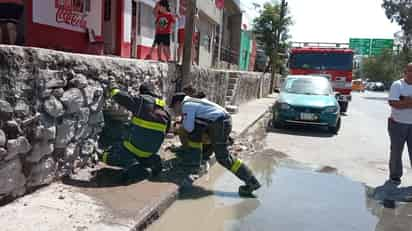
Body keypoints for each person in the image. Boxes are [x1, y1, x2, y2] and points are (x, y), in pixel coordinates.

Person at [169, 93, 261, 197]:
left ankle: (251, 181)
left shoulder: (187, 105)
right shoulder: (193, 102)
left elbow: (189, 128)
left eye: (174, 108)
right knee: (196, 134)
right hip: (221, 122)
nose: (175, 111)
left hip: (220, 123)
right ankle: (194, 164)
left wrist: (179, 125)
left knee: (223, 157)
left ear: (178, 103)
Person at [101, 83, 171, 179]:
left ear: (142, 93)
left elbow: (120, 97)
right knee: (144, 151)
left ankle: (131, 164)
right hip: (151, 151)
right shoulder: (165, 111)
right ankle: (153, 161)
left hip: (134, 147)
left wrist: (113, 87)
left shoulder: (141, 101)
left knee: (107, 155)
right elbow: (165, 133)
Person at [387, 63, 412, 185]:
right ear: (405, 72)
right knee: (396, 151)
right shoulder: (397, 85)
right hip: (397, 124)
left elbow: (400, 103)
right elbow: (393, 103)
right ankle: (395, 176)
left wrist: (405, 100)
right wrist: (407, 102)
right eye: (410, 71)